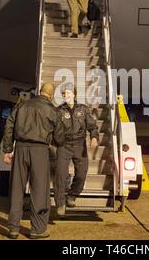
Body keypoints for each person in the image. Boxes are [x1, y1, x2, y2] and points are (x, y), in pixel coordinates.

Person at [2, 83, 64, 239]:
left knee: (17, 188)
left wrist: (8, 149)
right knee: (40, 191)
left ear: (39, 91)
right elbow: (60, 136)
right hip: (40, 151)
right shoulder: (52, 110)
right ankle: (37, 229)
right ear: (51, 95)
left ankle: (13, 228)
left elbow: (9, 125)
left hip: (21, 149)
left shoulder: (22, 105)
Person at [54, 83, 98, 216]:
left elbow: (92, 126)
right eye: (63, 94)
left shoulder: (83, 109)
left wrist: (94, 137)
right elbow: (52, 127)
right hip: (64, 145)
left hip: (80, 145)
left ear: (74, 94)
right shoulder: (58, 111)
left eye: (68, 93)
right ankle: (60, 203)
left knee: (81, 174)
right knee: (60, 174)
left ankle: (72, 195)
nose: (66, 95)